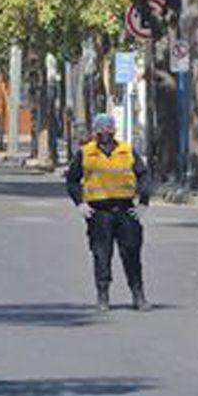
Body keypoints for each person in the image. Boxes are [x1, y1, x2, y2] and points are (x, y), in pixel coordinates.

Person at [65, 113, 152, 311]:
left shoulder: (127, 150)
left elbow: (144, 175)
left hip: (126, 211)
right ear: (95, 131)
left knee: (132, 253)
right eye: (101, 128)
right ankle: (102, 295)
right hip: (98, 213)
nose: (105, 132)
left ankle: (138, 295)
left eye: (108, 128)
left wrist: (144, 202)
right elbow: (72, 180)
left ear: (114, 130)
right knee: (101, 255)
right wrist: (80, 203)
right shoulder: (85, 153)